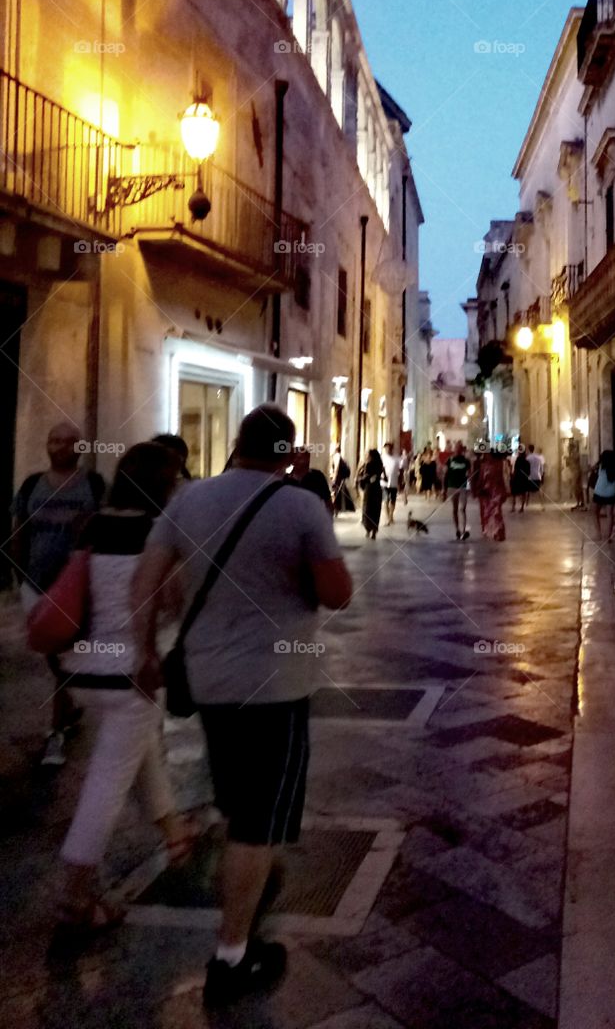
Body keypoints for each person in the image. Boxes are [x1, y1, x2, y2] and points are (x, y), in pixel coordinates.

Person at [133, 405, 352, 1008]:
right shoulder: (301, 505)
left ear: (237, 444)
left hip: (207, 681)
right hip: (275, 684)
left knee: (237, 801)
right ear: (287, 454)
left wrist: (143, 650)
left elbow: (148, 579)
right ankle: (232, 955)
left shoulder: (189, 499)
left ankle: (248, 876)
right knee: (259, 820)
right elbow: (336, 593)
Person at [57, 443, 198, 933]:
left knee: (140, 755)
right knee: (106, 784)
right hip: (133, 672)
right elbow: (174, 602)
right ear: (163, 485)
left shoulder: (93, 524)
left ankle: (175, 834)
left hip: (83, 669)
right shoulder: (160, 534)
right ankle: (75, 895)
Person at [10, 421, 106, 766]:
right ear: (47, 445)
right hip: (36, 584)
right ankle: (70, 708)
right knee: (54, 657)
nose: (61, 446)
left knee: (63, 657)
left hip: (75, 586)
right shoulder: (32, 485)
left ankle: (56, 733)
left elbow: (104, 532)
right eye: (55, 440)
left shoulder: (93, 485)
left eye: (69, 441)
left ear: (80, 447)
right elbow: (20, 530)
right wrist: (20, 577)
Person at [470, 446, 508, 541]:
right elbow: (481, 479)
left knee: (497, 512)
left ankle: (499, 532)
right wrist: (477, 489)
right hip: (487, 492)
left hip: (496, 491)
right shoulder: (484, 466)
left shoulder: (499, 465)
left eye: (488, 454)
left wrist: (506, 491)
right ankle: (492, 531)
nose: (486, 456)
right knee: (488, 512)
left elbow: (503, 478)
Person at [443, 440, 471, 540]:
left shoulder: (466, 461)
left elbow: (469, 475)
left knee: (462, 509)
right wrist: (444, 489)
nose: (458, 450)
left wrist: (469, 487)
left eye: (459, 448)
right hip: (452, 486)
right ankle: (457, 530)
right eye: (456, 448)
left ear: (461, 449)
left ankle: (463, 531)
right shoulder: (449, 460)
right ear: (454, 449)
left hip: (463, 487)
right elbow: (445, 475)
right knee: (455, 509)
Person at [590, 449, 615, 541]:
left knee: (595, 512)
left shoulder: (601, 466)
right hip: (611, 492)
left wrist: (598, 462)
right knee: (610, 514)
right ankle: (608, 536)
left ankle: (598, 534)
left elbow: (591, 468)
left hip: (599, 491)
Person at [357, 448, 385, 539]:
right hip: (377, 489)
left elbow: (365, 477)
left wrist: (360, 480)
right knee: (376, 510)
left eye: (367, 455)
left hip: (369, 490)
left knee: (367, 510)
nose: (366, 456)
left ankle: (368, 530)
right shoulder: (380, 465)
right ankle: (374, 530)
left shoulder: (368, 465)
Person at [380, 442, 400, 527]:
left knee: (393, 500)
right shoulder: (382, 458)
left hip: (394, 482)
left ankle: (391, 515)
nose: (387, 450)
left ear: (391, 449)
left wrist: (401, 481)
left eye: (389, 448)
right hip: (384, 483)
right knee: (385, 500)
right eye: (386, 448)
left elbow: (400, 470)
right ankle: (388, 517)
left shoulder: (396, 458)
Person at [329, 448, 354, 516]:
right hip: (339, 478)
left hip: (338, 478)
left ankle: (334, 509)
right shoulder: (337, 456)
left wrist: (334, 477)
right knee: (336, 493)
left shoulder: (337, 456)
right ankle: (335, 509)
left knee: (335, 493)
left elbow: (336, 467)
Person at [510, 445, 531, 513]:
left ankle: (513, 507)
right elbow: (528, 472)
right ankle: (522, 507)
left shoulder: (518, 460)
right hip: (524, 478)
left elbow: (515, 470)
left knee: (514, 493)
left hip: (517, 478)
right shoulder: (527, 462)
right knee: (523, 493)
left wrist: (513, 476)